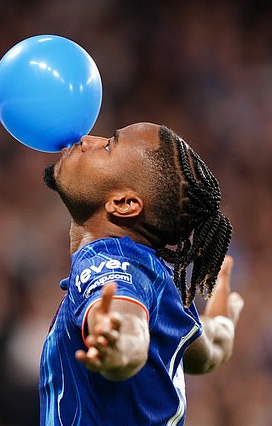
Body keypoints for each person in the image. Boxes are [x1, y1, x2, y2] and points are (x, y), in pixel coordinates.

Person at [40, 122, 244, 425]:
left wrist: (118, 348)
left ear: (123, 204)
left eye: (109, 146)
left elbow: (129, 329)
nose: (87, 140)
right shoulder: (159, 280)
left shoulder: (105, 261)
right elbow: (211, 350)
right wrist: (224, 318)